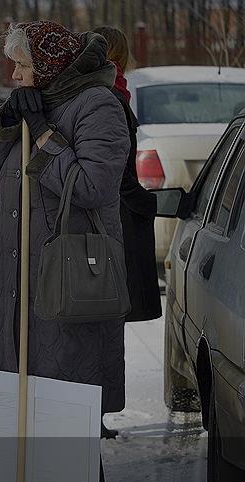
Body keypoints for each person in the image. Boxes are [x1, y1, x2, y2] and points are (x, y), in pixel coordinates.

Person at [0, 21, 129, 482]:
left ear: (48, 67)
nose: (15, 76)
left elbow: (92, 185)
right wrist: (8, 118)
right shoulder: (29, 100)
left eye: (23, 66)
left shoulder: (97, 106)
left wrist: (44, 133)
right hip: (17, 272)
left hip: (69, 274)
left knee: (63, 384)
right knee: (28, 383)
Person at [91, 26, 161, 440]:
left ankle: (94, 412)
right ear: (117, 55)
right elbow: (118, 173)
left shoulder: (107, 92)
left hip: (106, 218)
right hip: (113, 221)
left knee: (101, 318)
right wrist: (147, 204)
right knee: (105, 319)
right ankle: (93, 412)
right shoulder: (110, 96)